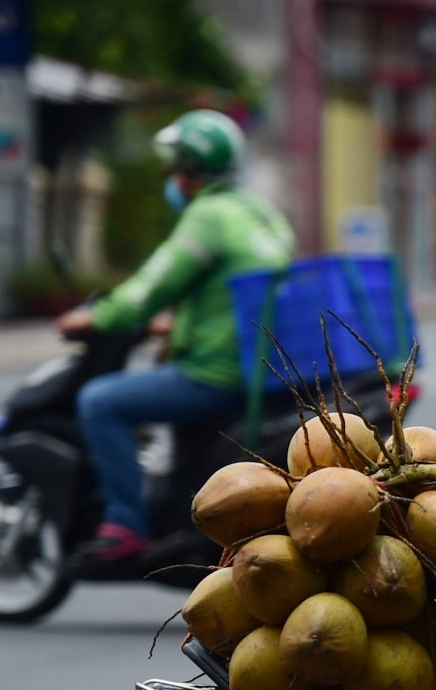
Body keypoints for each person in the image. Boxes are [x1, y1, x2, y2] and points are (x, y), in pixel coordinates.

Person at [55, 109, 295, 567]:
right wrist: (171, 325)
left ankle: (125, 523)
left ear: (189, 171)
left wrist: (95, 317)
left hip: (215, 371)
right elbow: (228, 294)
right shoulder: (259, 212)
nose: (170, 177)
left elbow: (150, 287)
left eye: (174, 167)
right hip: (252, 362)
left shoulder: (208, 216)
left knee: (100, 402)